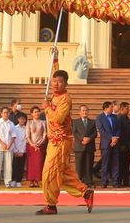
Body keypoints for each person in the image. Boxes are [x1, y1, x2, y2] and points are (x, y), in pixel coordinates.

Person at [37, 69, 93, 215]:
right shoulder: (55, 97)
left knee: (50, 173)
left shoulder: (65, 99)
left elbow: (58, 119)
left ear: (66, 84)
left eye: (60, 81)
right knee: (62, 172)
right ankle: (85, 191)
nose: (56, 84)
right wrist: (55, 57)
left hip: (60, 140)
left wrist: (47, 108)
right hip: (53, 140)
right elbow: (54, 70)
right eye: (54, 81)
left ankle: (51, 204)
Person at [96, 101, 120, 187]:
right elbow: (102, 131)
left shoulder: (115, 117)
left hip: (115, 143)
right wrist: (111, 138)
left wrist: (116, 138)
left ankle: (115, 181)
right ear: (106, 108)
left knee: (115, 163)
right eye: (111, 107)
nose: (112, 109)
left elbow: (118, 128)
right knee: (105, 164)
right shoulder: (99, 118)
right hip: (106, 144)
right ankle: (104, 182)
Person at [72, 105, 96, 186]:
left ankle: (89, 181)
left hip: (90, 147)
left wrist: (89, 139)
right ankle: (79, 182)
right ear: (79, 112)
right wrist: (82, 139)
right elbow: (74, 133)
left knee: (89, 165)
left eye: (86, 110)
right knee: (79, 166)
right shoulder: (75, 122)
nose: (85, 112)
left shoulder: (92, 122)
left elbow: (95, 133)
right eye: (83, 111)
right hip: (79, 147)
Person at [0, 107, 15, 188]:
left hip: (9, 147)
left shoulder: (11, 123)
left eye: (7, 112)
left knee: (8, 165)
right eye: (4, 112)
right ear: (1, 114)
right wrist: (2, 143)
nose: (6, 114)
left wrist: (9, 144)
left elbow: (13, 136)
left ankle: (7, 182)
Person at [25, 106, 47, 188]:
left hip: (40, 146)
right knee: (31, 164)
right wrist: (32, 144)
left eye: (38, 111)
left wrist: (39, 144)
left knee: (39, 163)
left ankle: (37, 181)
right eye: (35, 112)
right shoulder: (29, 122)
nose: (37, 113)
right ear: (31, 114)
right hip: (31, 146)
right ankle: (31, 181)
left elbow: (45, 134)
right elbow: (27, 135)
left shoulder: (43, 122)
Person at [116, 102, 130, 187]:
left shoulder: (127, 118)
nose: (128, 110)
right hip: (121, 145)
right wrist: (121, 144)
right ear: (122, 109)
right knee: (120, 164)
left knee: (126, 164)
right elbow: (119, 132)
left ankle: (126, 181)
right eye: (127, 109)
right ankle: (119, 181)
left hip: (128, 145)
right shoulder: (119, 118)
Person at [11, 113, 27, 188]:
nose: (22, 120)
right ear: (18, 119)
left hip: (22, 150)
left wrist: (22, 151)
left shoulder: (26, 128)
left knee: (21, 166)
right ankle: (13, 180)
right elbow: (13, 140)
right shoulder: (14, 128)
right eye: (21, 119)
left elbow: (25, 140)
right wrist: (16, 150)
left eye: (23, 119)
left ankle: (18, 181)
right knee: (14, 166)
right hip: (15, 150)